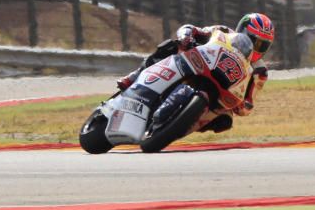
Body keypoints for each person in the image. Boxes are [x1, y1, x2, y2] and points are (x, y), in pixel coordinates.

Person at [116, 13, 275, 133]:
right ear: (242, 30)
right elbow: (194, 30)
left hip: (221, 94)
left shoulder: (260, 72)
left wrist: (242, 105)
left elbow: (249, 104)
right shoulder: (224, 32)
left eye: (262, 45)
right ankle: (134, 76)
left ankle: (180, 127)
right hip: (197, 64)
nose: (256, 47)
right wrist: (187, 38)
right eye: (254, 41)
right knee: (171, 46)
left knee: (225, 120)